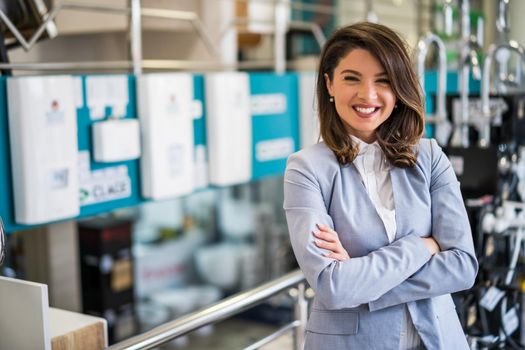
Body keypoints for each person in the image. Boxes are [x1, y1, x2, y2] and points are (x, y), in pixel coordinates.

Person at [283, 22, 478, 350]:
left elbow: (462, 266)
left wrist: (362, 279)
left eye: (383, 81)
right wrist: (423, 247)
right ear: (329, 84)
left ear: (399, 88)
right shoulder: (306, 169)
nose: (368, 95)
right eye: (351, 78)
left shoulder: (429, 156)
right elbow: (334, 287)